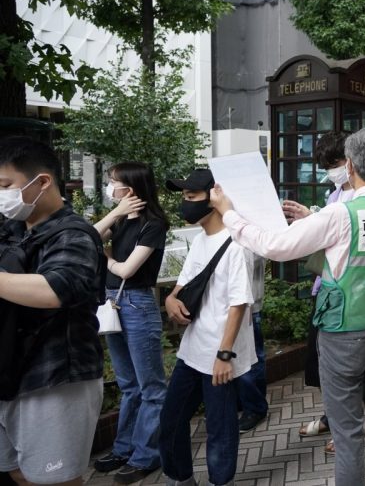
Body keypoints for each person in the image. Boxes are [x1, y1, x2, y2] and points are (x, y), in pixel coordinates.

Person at [212, 128, 365, 486]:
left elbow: (275, 245)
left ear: (349, 165)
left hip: (343, 333)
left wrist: (230, 215)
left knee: (348, 432)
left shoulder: (339, 215)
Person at [0, 137, 105, 486]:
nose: (2, 196)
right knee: (18, 472)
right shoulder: (14, 230)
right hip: (12, 371)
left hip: (56, 377)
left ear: (42, 181)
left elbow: (57, 289)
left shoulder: (74, 234)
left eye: (5, 186)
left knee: (55, 481)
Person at [159, 169, 257, 486]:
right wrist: (171, 301)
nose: (185, 204)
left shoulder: (237, 245)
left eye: (191, 197)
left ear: (214, 198)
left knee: (220, 428)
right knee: (171, 418)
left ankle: (221, 482)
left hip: (219, 355)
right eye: (183, 197)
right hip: (193, 349)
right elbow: (184, 285)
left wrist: (224, 354)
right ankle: (181, 478)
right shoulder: (202, 239)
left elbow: (239, 302)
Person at [92, 162, 169, 483]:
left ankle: (146, 455)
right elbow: (88, 237)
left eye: (114, 182)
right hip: (113, 303)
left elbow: (127, 271)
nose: (110, 187)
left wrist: (106, 257)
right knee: (128, 385)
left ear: (131, 188)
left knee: (150, 387)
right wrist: (114, 214)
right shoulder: (121, 221)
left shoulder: (154, 224)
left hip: (137, 304)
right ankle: (124, 448)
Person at [283, 131, 353, 453]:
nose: (331, 170)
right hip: (323, 287)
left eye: (335, 163)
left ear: (352, 160)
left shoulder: (359, 198)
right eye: (326, 164)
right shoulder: (335, 193)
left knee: (343, 366)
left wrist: (312, 222)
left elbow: (343, 238)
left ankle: (345, 427)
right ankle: (331, 416)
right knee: (322, 361)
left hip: (345, 292)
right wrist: (310, 220)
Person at [236, 252, 267, 433]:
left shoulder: (251, 228)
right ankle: (246, 402)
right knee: (244, 357)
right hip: (233, 305)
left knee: (252, 358)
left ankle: (255, 408)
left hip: (249, 305)